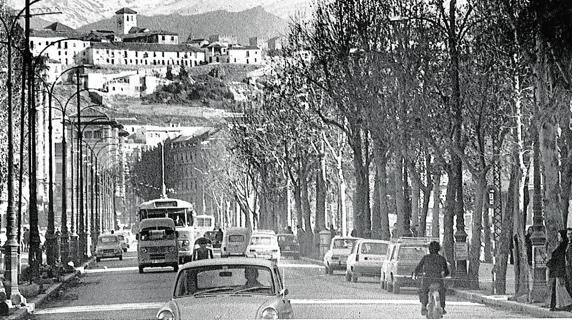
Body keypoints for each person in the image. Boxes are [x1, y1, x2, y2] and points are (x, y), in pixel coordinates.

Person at [414, 241, 450, 316]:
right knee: (442, 292)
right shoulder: (442, 258)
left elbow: (418, 267)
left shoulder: (425, 257)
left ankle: (424, 306)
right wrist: (444, 275)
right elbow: (446, 271)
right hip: (438, 280)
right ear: (438, 249)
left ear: (429, 249)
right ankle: (442, 307)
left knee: (423, 291)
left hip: (427, 280)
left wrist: (415, 274)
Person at [546, 230, 572, 311]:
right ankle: (559, 305)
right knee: (558, 289)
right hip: (559, 270)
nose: (558, 238)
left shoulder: (563, 246)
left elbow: (561, 259)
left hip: (562, 270)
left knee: (562, 288)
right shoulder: (562, 246)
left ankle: (564, 305)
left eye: (559, 236)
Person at [566, 228, 572, 295]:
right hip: (567, 268)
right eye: (568, 234)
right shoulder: (567, 244)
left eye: (571, 234)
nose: (570, 236)